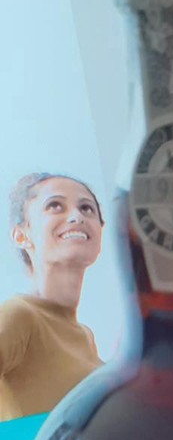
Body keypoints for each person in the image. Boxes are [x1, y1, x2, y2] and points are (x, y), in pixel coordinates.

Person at [1, 172, 105, 421]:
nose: (77, 216)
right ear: (21, 235)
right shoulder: (20, 316)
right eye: (55, 205)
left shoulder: (86, 337)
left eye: (87, 208)